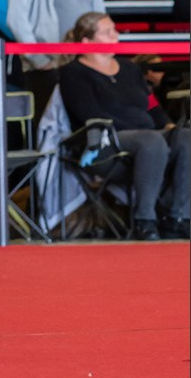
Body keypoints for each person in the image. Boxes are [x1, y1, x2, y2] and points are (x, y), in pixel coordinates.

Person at [59, 12, 190, 241]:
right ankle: (144, 219)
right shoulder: (73, 73)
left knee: (185, 137)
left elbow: (151, 107)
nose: (115, 35)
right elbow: (88, 114)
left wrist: (168, 125)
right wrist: (148, 131)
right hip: (104, 144)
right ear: (86, 42)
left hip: (150, 138)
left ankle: (177, 217)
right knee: (151, 141)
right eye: (107, 32)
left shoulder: (130, 69)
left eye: (115, 30)